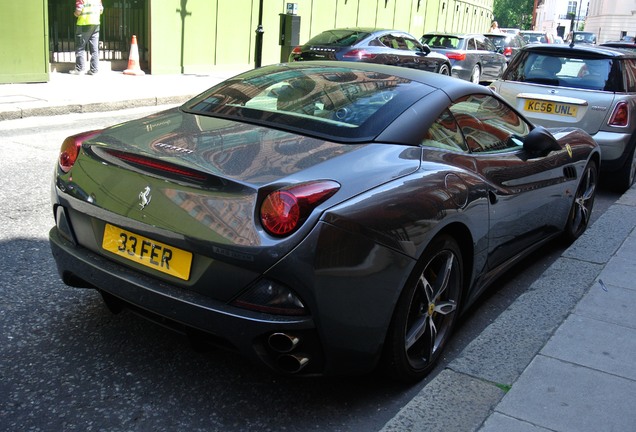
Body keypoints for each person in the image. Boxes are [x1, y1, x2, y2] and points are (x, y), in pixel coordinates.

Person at [70, 0, 104, 75]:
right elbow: (101, 10)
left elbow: (78, 11)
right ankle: (94, 70)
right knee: (94, 48)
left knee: (80, 47)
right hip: (95, 24)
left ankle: (80, 69)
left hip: (84, 24)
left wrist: (75, 14)